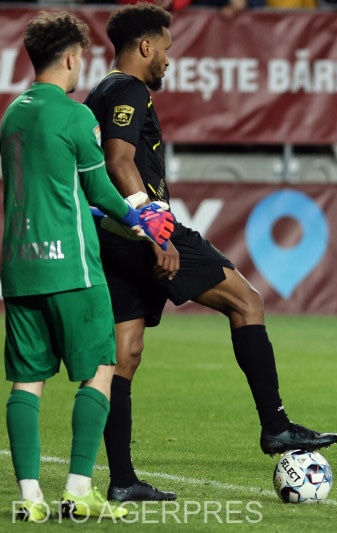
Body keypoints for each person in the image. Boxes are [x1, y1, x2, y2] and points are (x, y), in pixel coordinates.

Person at [83, 3, 337, 503]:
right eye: (167, 49)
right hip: (145, 231)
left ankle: (121, 480)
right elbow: (119, 160)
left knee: (123, 357)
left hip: (111, 235)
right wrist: (156, 227)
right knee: (247, 303)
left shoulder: (101, 91)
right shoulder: (130, 89)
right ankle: (276, 426)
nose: (168, 60)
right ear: (146, 46)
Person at [1, 11, 175, 521]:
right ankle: (78, 488)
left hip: (19, 266)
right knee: (101, 369)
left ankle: (29, 499)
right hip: (72, 265)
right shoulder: (77, 116)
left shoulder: (12, 114)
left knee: (27, 380)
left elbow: (34, 183)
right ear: (73, 58)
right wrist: (141, 221)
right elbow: (99, 187)